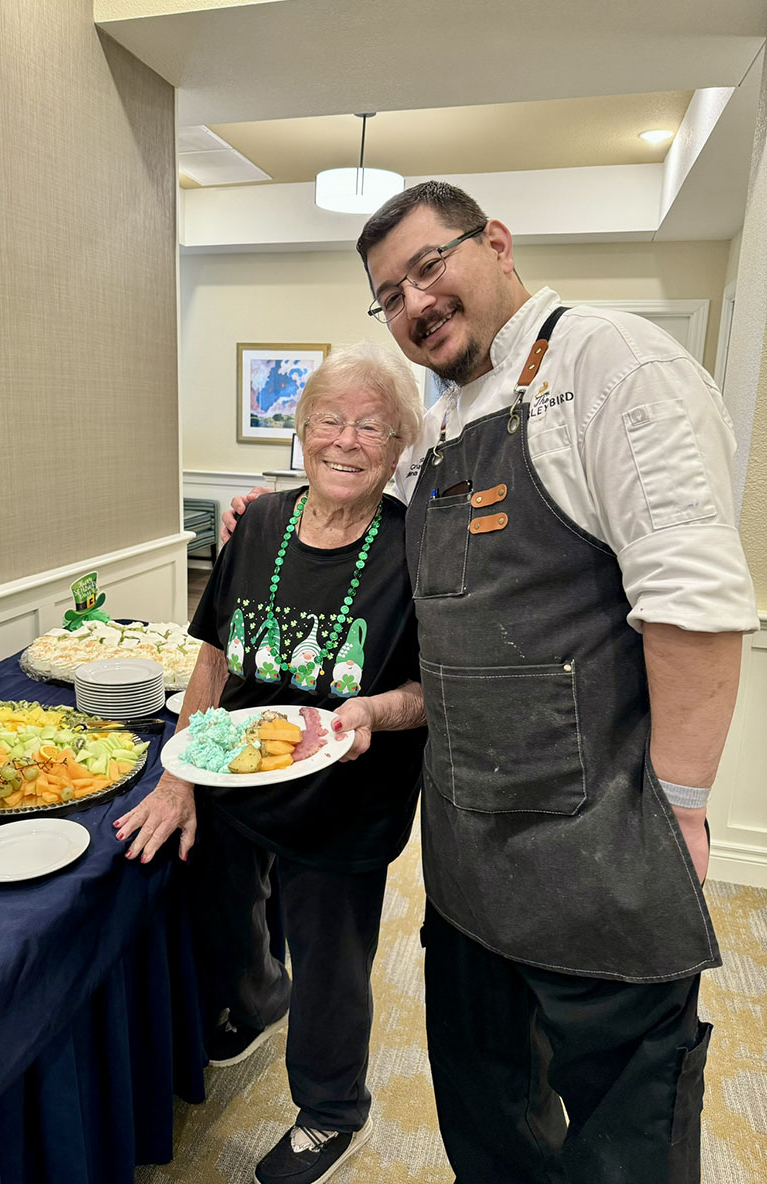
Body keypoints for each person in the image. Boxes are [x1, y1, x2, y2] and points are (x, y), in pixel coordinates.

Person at [223, 181, 759, 1183]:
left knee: (623, 1137)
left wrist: (681, 806)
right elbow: (368, 504)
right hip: (466, 860)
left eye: (430, 267)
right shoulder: (441, 421)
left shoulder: (614, 363)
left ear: (498, 244)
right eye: (390, 294)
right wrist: (272, 508)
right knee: (489, 1116)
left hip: (599, 853)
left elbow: (693, 605)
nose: (415, 302)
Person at [115, 342, 427, 1184]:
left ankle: (333, 1112)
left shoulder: (417, 546)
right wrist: (179, 774)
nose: (346, 441)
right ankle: (254, 997)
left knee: (332, 965)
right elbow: (214, 657)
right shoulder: (254, 523)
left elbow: (435, 691)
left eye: (371, 425)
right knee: (221, 913)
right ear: (301, 430)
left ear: (398, 445)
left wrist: (370, 711)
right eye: (329, 419)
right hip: (234, 781)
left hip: (348, 798)